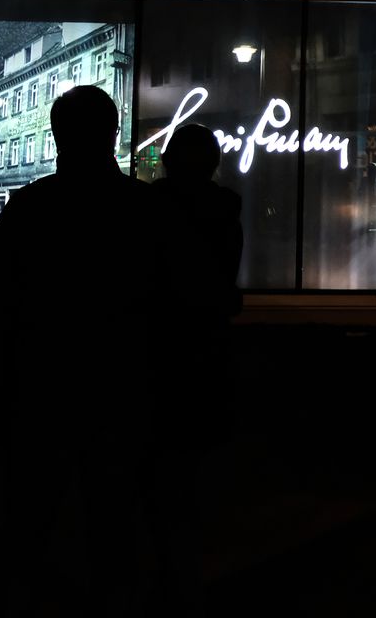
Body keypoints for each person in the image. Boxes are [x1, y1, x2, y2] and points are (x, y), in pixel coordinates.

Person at [0, 85, 166, 615]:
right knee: (113, 518)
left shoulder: (31, 206)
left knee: (31, 515)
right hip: (121, 387)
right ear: (112, 134)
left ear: (58, 135)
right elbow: (169, 300)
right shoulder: (143, 209)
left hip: (41, 386)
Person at [145, 124, 245, 614]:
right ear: (212, 165)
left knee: (156, 460)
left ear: (168, 163)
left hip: (153, 351)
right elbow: (222, 282)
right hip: (205, 348)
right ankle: (189, 562)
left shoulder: (148, 211)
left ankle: (157, 560)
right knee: (194, 459)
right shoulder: (226, 213)